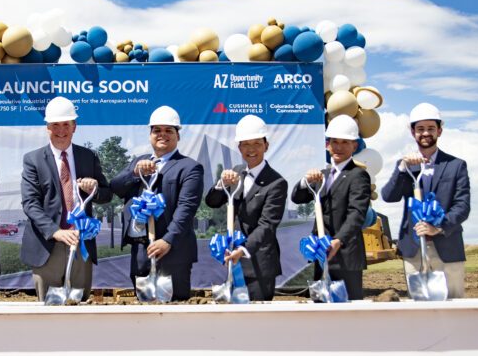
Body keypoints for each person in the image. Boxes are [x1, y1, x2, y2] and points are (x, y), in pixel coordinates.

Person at [21, 97, 112, 300]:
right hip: (48, 249)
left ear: (74, 127)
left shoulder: (89, 157)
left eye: (66, 125)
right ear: (47, 127)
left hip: (81, 246)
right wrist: (56, 232)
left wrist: (93, 190)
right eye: (55, 125)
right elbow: (30, 203)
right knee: (48, 313)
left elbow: (106, 194)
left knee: (79, 311)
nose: (61, 130)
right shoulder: (33, 160)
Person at [111, 105, 204, 302]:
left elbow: (186, 209)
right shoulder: (139, 162)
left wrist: (168, 240)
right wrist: (134, 173)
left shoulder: (189, 168)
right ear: (150, 134)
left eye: (169, 130)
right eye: (157, 130)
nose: (162, 135)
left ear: (178, 135)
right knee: (144, 313)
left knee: (174, 312)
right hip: (141, 251)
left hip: (174, 252)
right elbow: (116, 187)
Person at [381, 103, 471, 298]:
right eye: (420, 129)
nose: (425, 133)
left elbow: (462, 206)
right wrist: (402, 168)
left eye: (431, 128)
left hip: (447, 246)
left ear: (439, 130)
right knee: (419, 309)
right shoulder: (406, 165)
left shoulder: (456, 166)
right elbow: (389, 196)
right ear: (413, 132)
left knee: (454, 305)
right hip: (413, 250)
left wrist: (438, 227)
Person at [204, 115, 287, 301]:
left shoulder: (277, 183)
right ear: (239, 147)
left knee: (258, 323)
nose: (251, 149)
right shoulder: (236, 172)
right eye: (245, 144)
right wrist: (221, 184)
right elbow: (212, 202)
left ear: (266, 146)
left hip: (259, 262)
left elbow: (267, 225)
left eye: (257, 143)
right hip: (234, 260)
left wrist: (242, 250)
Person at [290, 114, 371, 300]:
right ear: (328, 144)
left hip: (346, 257)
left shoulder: (358, 176)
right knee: (321, 314)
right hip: (322, 255)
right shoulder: (322, 175)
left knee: (348, 315)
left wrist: (338, 240)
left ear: (355, 146)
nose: (339, 147)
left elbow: (356, 214)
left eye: (345, 142)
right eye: (335, 142)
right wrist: (305, 181)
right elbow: (297, 198)